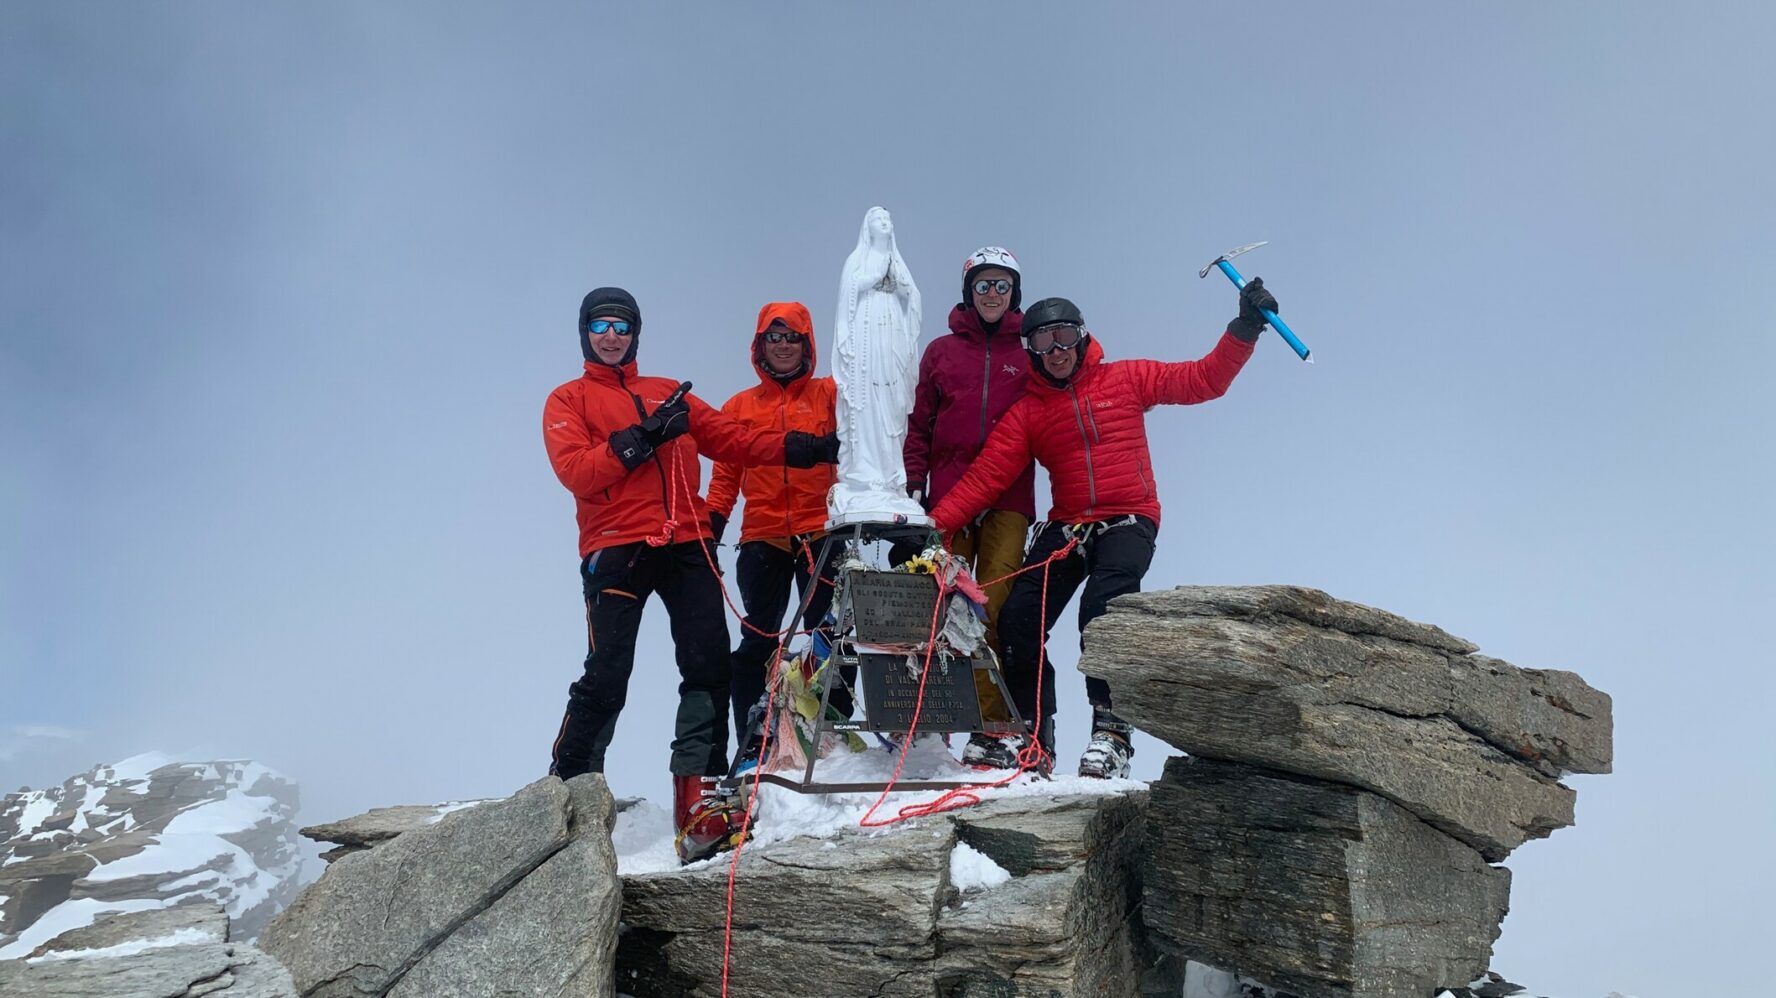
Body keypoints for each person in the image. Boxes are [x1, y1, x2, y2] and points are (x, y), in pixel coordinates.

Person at [926, 280, 1280, 778]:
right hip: (1070, 525)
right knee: (1020, 616)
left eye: (1065, 336)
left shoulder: (1126, 378)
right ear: (1029, 351)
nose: (1056, 352)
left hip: (1129, 519)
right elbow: (985, 479)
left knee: (1102, 612)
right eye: (1043, 342)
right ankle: (1030, 734)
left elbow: (1203, 379)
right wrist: (928, 528)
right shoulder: (1029, 412)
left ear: (1083, 337)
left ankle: (1110, 734)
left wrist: (1244, 328)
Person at [542, 286, 838, 863]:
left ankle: (699, 802)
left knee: (707, 666)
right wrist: (642, 438)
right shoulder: (567, 399)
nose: (611, 335)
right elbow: (577, 472)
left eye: (621, 326)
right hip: (616, 546)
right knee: (607, 673)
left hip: (687, 543)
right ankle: (568, 791)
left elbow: (737, 441)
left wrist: (812, 448)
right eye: (600, 325)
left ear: (635, 334)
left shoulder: (665, 392)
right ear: (585, 332)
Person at [901, 247, 1036, 769]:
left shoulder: (1028, 353)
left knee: (991, 612)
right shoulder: (940, 352)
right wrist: (915, 482)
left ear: (1015, 293)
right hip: (949, 500)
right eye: (984, 286)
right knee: (940, 613)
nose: (993, 295)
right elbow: (919, 423)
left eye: (1003, 286)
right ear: (968, 291)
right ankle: (930, 727)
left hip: (1008, 498)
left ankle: (994, 730)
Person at [704, 302, 846, 763]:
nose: (783, 346)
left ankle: (835, 734)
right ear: (759, 345)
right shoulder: (740, 406)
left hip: (822, 532)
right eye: (774, 337)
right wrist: (711, 525)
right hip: (762, 535)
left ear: (808, 344)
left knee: (829, 636)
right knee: (759, 640)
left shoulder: (831, 394)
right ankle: (756, 740)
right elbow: (726, 472)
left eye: (793, 338)